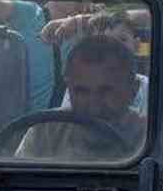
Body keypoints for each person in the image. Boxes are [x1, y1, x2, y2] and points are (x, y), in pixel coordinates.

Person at [16, 34, 146, 162]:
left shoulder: (150, 139)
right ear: (69, 90)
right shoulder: (44, 134)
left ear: (133, 90)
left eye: (106, 91)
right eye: (81, 91)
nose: (94, 106)